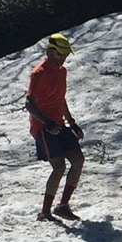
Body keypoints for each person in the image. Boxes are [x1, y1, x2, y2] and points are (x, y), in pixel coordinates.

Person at [26, 32, 85, 221]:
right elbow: (29, 103)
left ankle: (63, 206)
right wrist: (46, 122)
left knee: (78, 160)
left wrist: (72, 123)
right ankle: (45, 212)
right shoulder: (39, 73)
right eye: (60, 54)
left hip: (59, 125)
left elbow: (60, 99)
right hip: (43, 127)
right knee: (58, 167)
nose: (63, 58)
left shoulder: (62, 71)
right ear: (50, 51)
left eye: (66, 55)